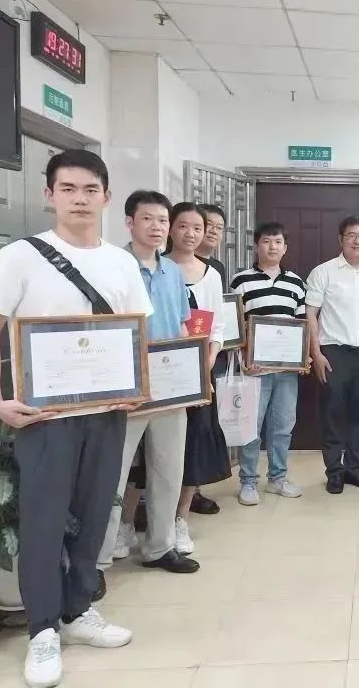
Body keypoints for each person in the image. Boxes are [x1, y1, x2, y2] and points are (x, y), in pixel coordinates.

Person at [0, 150, 147, 687]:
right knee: (44, 520)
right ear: (50, 195)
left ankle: (77, 611)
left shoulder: (120, 263)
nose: (79, 199)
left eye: (90, 189)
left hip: (106, 413)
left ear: (106, 197)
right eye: (68, 188)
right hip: (45, 417)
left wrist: (137, 388)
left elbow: (135, 332)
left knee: (94, 516)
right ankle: (43, 629)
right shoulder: (21, 256)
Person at [95, 190, 200, 586]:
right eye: (147, 219)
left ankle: (159, 547)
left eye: (162, 220)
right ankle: (97, 561)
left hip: (171, 386)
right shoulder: (112, 267)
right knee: (113, 473)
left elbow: (183, 325)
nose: (156, 227)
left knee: (168, 469)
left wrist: (193, 375)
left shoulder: (172, 271)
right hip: (126, 387)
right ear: (129, 222)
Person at [305, 215, 359, 494]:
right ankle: (334, 471)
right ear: (340, 240)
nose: (357, 240)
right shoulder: (324, 272)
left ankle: (355, 469)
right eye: (351, 235)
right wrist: (316, 353)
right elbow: (311, 314)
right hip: (333, 352)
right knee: (333, 413)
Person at [165, 203, 231, 554]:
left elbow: (217, 325)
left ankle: (180, 519)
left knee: (193, 443)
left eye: (197, 228)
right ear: (171, 229)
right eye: (183, 226)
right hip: (161, 370)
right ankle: (131, 522)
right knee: (155, 448)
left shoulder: (212, 274)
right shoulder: (157, 268)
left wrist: (209, 358)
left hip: (200, 371)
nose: (190, 234)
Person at [230, 222, 307, 506]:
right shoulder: (241, 281)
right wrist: (244, 359)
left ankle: (277, 478)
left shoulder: (296, 283)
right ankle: (248, 482)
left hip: (287, 371)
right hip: (255, 369)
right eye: (266, 241)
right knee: (251, 426)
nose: (272, 247)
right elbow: (234, 326)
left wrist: (303, 358)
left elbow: (301, 324)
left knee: (283, 426)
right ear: (256, 246)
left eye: (277, 242)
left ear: (285, 248)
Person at [191, 202, 228, 515]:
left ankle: (192, 492)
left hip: (207, 358)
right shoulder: (165, 265)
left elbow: (219, 317)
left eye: (218, 227)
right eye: (208, 225)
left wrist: (214, 352)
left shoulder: (216, 270)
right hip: (174, 358)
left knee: (201, 428)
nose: (213, 232)